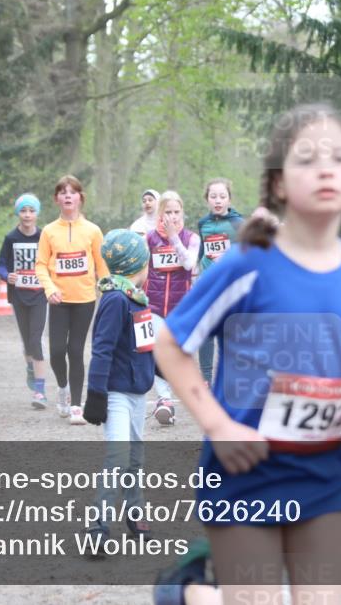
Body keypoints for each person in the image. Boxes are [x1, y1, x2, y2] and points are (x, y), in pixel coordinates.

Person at [154, 103, 341, 604]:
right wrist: (218, 427)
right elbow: (169, 343)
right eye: (306, 158)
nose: (325, 168)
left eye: (338, 157)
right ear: (279, 184)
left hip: (326, 475)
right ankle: (189, 592)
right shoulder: (249, 265)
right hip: (245, 472)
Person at [82, 229, 156, 546]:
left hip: (138, 391)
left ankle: (134, 509)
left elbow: (145, 346)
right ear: (136, 266)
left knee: (135, 456)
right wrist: (95, 394)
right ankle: (97, 525)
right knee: (118, 456)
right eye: (145, 263)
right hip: (114, 394)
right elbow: (102, 349)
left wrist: (162, 373)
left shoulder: (138, 299)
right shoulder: (114, 300)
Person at [34, 175, 109, 425]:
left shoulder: (93, 231)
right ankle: (63, 388)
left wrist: (108, 289)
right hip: (58, 299)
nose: (68, 196)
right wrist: (49, 288)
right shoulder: (48, 231)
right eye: (63, 192)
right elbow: (41, 265)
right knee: (56, 351)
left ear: (80, 198)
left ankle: (77, 405)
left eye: (73, 192)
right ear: (57, 199)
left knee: (75, 350)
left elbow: (102, 265)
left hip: (85, 299)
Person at [146, 190, 200, 425]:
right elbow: (141, 269)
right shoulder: (148, 239)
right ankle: (164, 400)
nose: (173, 216)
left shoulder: (192, 238)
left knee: (177, 353)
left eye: (177, 212)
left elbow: (188, 263)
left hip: (181, 306)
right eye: (168, 212)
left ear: (183, 214)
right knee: (158, 350)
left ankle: (178, 395)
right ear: (160, 214)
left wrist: (173, 238)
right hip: (154, 305)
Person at [0, 193, 48, 408]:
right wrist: (8, 276)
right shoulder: (11, 238)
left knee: (36, 340)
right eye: (24, 211)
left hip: (40, 295)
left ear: (37, 214)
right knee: (27, 342)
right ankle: (30, 368)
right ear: (18, 213)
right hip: (19, 296)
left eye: (31, 211)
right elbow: (0, 265)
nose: (27, 215)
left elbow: (52, 262)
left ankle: (40, 390)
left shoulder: (44, 237)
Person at [195, 178, 244, 385]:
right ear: (207, 199)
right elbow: (202, 252)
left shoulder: (239, 223)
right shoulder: (203, 223)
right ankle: (205, 378)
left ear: (229, 200)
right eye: (213, 196)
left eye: (222, 196)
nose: (218, 200)